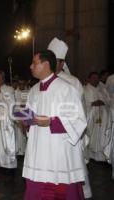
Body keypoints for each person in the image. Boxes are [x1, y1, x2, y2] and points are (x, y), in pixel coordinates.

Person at [22, 50, 87, 200]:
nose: (30, 66)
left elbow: (78, 120)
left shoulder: (66, 89)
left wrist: (51, 121)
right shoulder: (33, 90)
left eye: (34, 63)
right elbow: (30, 116)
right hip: (38, 152)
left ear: (46, 64)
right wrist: (24, 118)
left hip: (58, 152)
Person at [47, 37, 92, 198]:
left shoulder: (73, 83)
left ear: (61, 63)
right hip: (48, 136)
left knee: (69, 173)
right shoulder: (42, 82)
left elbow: (80, 112)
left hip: (67, 135)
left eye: (55, 60)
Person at [83, 72, 112, 162]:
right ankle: (91, 155)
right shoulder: (85, 89)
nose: (95, 79)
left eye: (97, 78)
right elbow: (83, 103)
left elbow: (109, 100)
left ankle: (101, 156)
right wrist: (92, 103)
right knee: (91, 135)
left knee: (102, 134)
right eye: (93, 78)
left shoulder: (102, 89)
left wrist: (104, 102)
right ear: (89, 79)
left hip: (104, 116)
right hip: (91, 116)